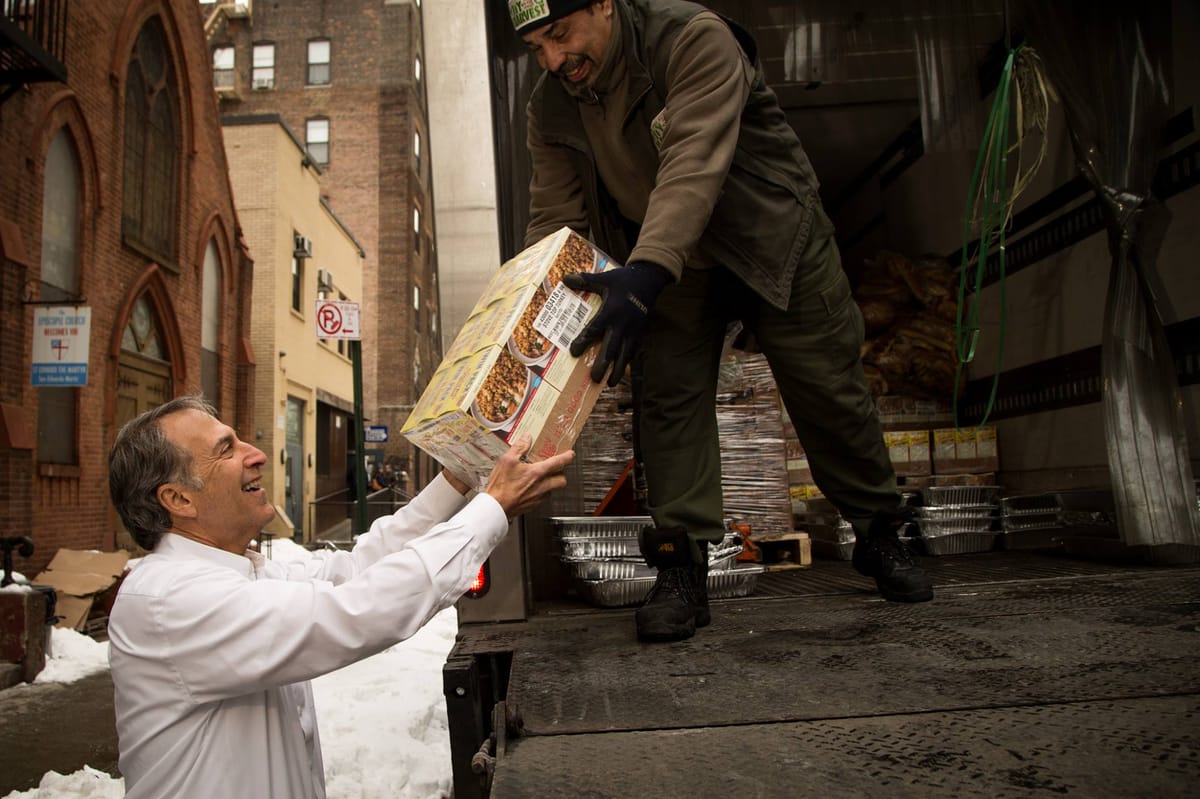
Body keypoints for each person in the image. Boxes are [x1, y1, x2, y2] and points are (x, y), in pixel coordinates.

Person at [510, 0, 933, 643]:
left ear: (604, 4)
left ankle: (878, 532)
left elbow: (693, 161)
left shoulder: (693, 40)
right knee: (668, 399)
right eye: (536, 47)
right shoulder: (552, 104)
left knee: (828, 389)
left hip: (772, 236)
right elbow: (554, 220)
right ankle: (683, 566)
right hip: (675, 262)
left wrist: (647, 269)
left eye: (560, 35)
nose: (552, 60)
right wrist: (530, 320)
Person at [106, 396, 572, 797]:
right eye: (225, 450)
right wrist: (492, 509)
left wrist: (459, 477)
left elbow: (354, 571)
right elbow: (355, 611)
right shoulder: (168, 601)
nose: (257, 455)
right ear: (179, 500)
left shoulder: (244, 573)